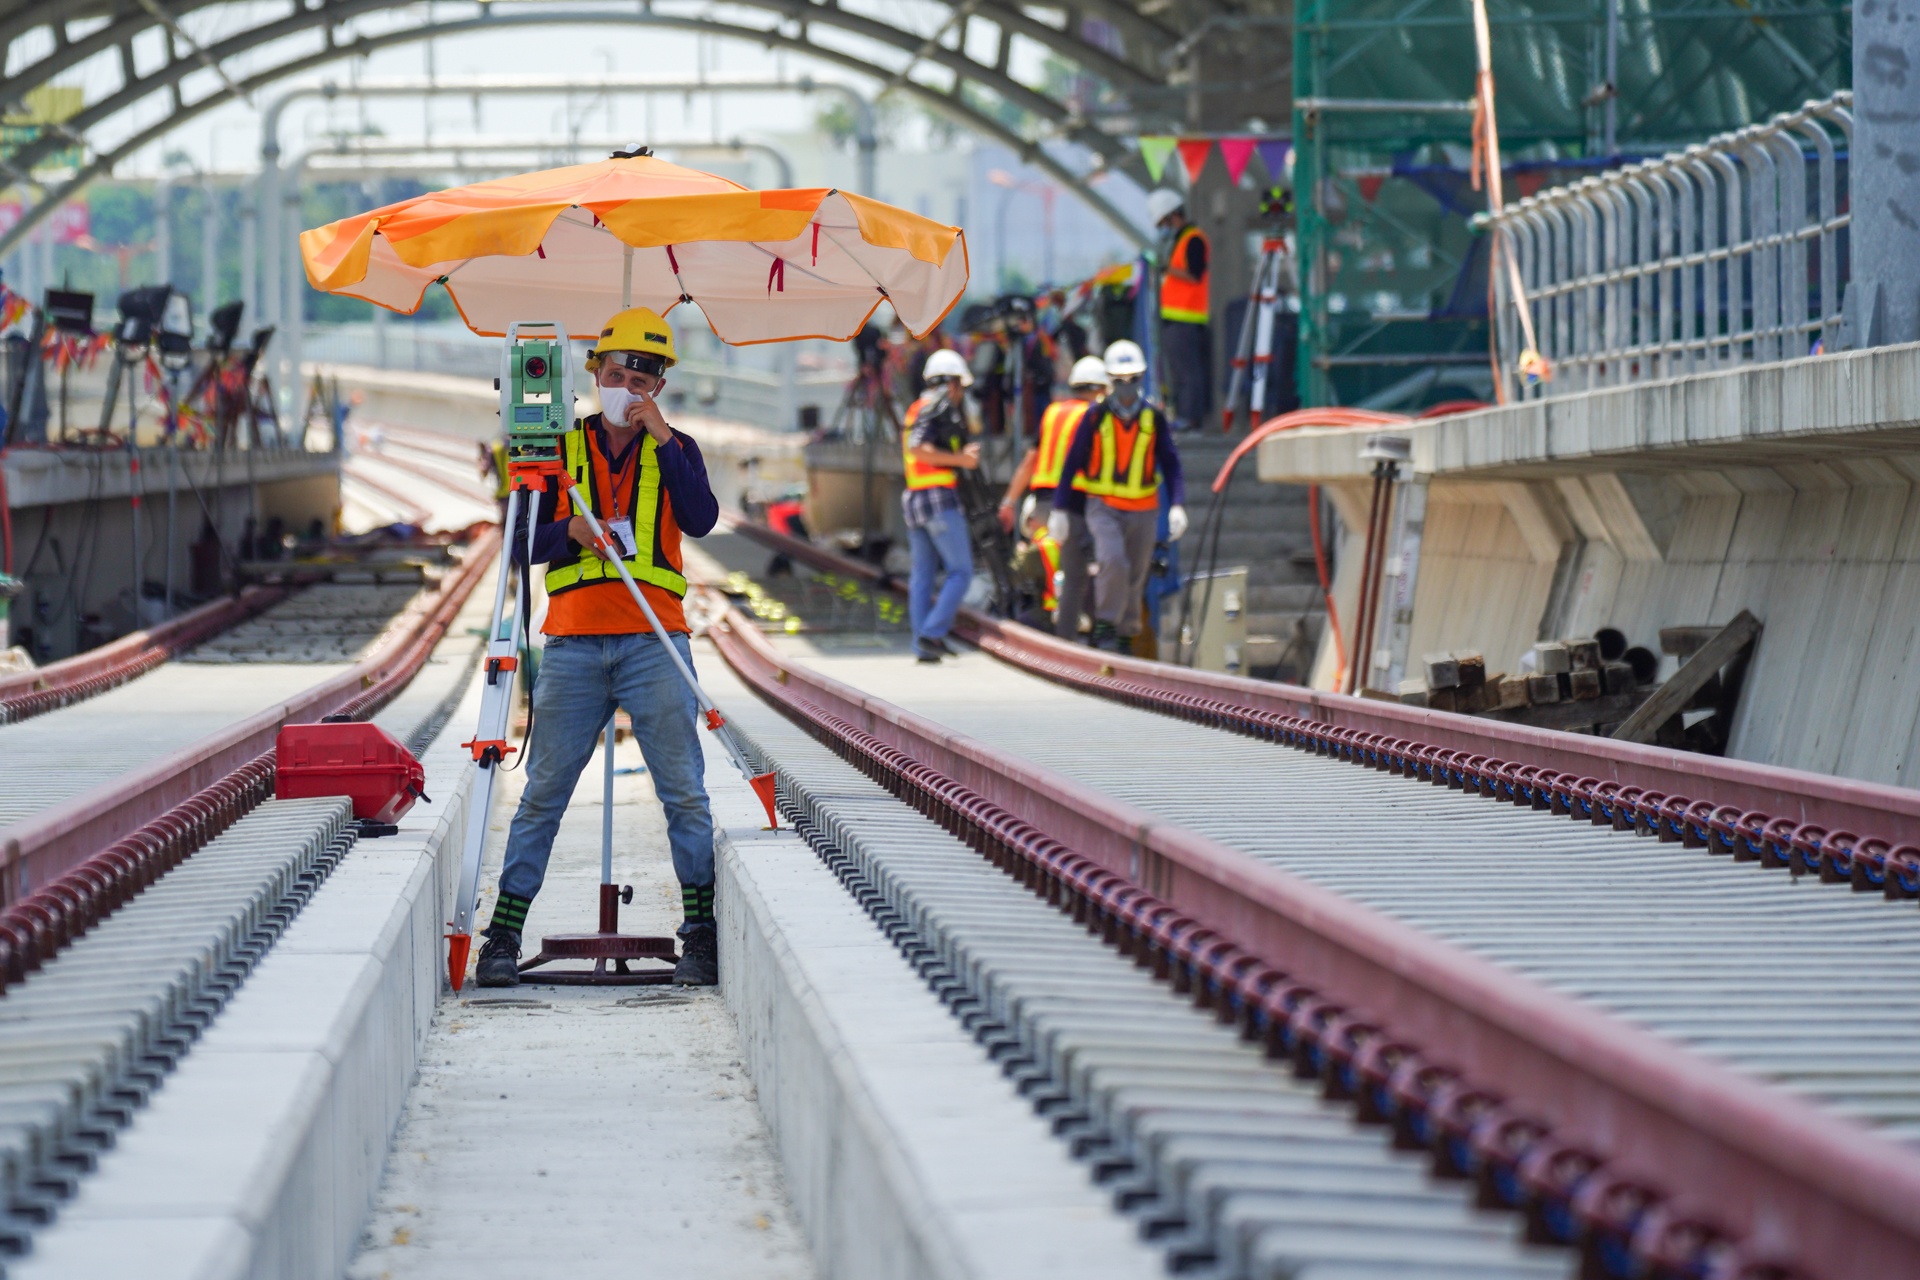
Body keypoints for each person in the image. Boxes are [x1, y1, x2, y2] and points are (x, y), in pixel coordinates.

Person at [476, 306, 722, 989]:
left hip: (655, 641)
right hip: (574, 646)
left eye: (643, 376)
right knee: (543, 793)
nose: (629, 384)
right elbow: (520, 545)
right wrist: (573, 537)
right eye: (618, 372)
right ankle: (503, 934)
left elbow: (700, 518)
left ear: (659, 386)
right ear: (593, 373)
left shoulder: (678, 448)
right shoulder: (555, 450)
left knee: (684, 794)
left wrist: (665, 440)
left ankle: (699, 933)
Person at [1048, 340, 1189, 651]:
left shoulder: (1153, 418)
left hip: (1144, 508)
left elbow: (1171, 464)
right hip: (1103, 506)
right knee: (1113, 561)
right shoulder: (1095, 417)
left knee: (1137, 573)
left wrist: (1177, 505)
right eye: (1119, 381)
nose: (1126, 388)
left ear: (1142, 378)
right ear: (1109, 381)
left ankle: (1127, 631)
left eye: (1133, 380)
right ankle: (1106, 625)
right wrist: (1058, 508)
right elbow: (1072, 461)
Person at [999, 355, 1109, 638]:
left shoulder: (1052, 412)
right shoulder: (1096, 414)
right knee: (1075, 575)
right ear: (1101, 388)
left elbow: (1029, 461)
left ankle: (1047, 632)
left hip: (1040, 505)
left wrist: (1010, 501)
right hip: (1075, 504)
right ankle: (1072, 638)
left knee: (1044, 575)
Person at [901, 348, 980, 664]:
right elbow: (919, 448)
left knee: (922, 575)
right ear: (951, 383)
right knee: (961, 571)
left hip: (915, 498)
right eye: (959, 385)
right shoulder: (935, 406)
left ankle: (924, 645)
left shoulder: (916, 407)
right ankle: (932, 633)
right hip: (938, 498)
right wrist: (960, 460)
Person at [1148, 188, 1213, 432]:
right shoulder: (1180, 240)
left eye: (1164, 222)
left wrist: (1165, 268)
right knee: (1179, 372)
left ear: (1173, 216)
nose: (1163, 228)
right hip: (1174, 317)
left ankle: (1190, 418)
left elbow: (1194, 275)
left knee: (1188, 373)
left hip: (1186, 317)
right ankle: (1184, 416)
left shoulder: (1193, 238)